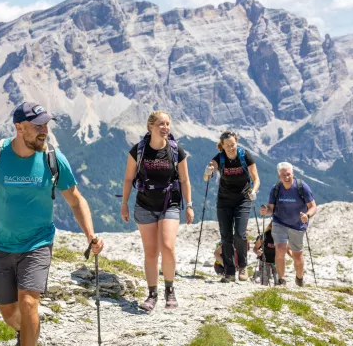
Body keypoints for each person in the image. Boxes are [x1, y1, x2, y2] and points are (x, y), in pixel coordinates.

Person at [0, 102, 104, 346]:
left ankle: (29, 333)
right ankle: (30, 330)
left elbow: (76, 200)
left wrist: (90, 235)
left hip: (37, 243)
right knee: (9, 314)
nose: (44, 130)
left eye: (46, 124)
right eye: (37, 126)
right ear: (19, 127)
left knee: (29, 303)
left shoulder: (52, 158)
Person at [120, 111, 194, 312]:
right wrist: (124, 203)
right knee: (151, 252)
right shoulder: (138, 150)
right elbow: (128, 179)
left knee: (168, 246)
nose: (165, 127)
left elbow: (185, 180)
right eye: (161, 124)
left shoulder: (176, 150)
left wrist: (189, 205)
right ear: (150, 127)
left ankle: (170, 290)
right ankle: (152, 294)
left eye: (168, 124)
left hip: (169, 203)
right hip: (145, 204)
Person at [203, 131, 260, 283]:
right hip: (224, 200)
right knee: (226, 236)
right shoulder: (219, 158)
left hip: (243, 199)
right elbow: (206, 176)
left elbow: (256, 178)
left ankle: (242, 266)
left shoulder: (244, 155)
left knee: (240, 234)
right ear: (222, 145)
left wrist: (254, 191)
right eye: (227, 145)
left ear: (237, 142)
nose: (230, 148)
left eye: (232, 145)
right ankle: (229, 271)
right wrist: (208, 171)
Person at [259, 162, 317, 287]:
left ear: (293, 174)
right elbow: (271, 209)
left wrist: (307, 216)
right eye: (283, 175)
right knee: (280, 249)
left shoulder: (302, 187)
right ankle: (281, 280)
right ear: (279, 176)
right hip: (279, 222)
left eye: (288, 174)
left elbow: (313, 206)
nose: (286, 177)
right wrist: (266, 211)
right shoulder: (276, 189)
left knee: (297, 255)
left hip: (297, 225)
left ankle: (299, 278)